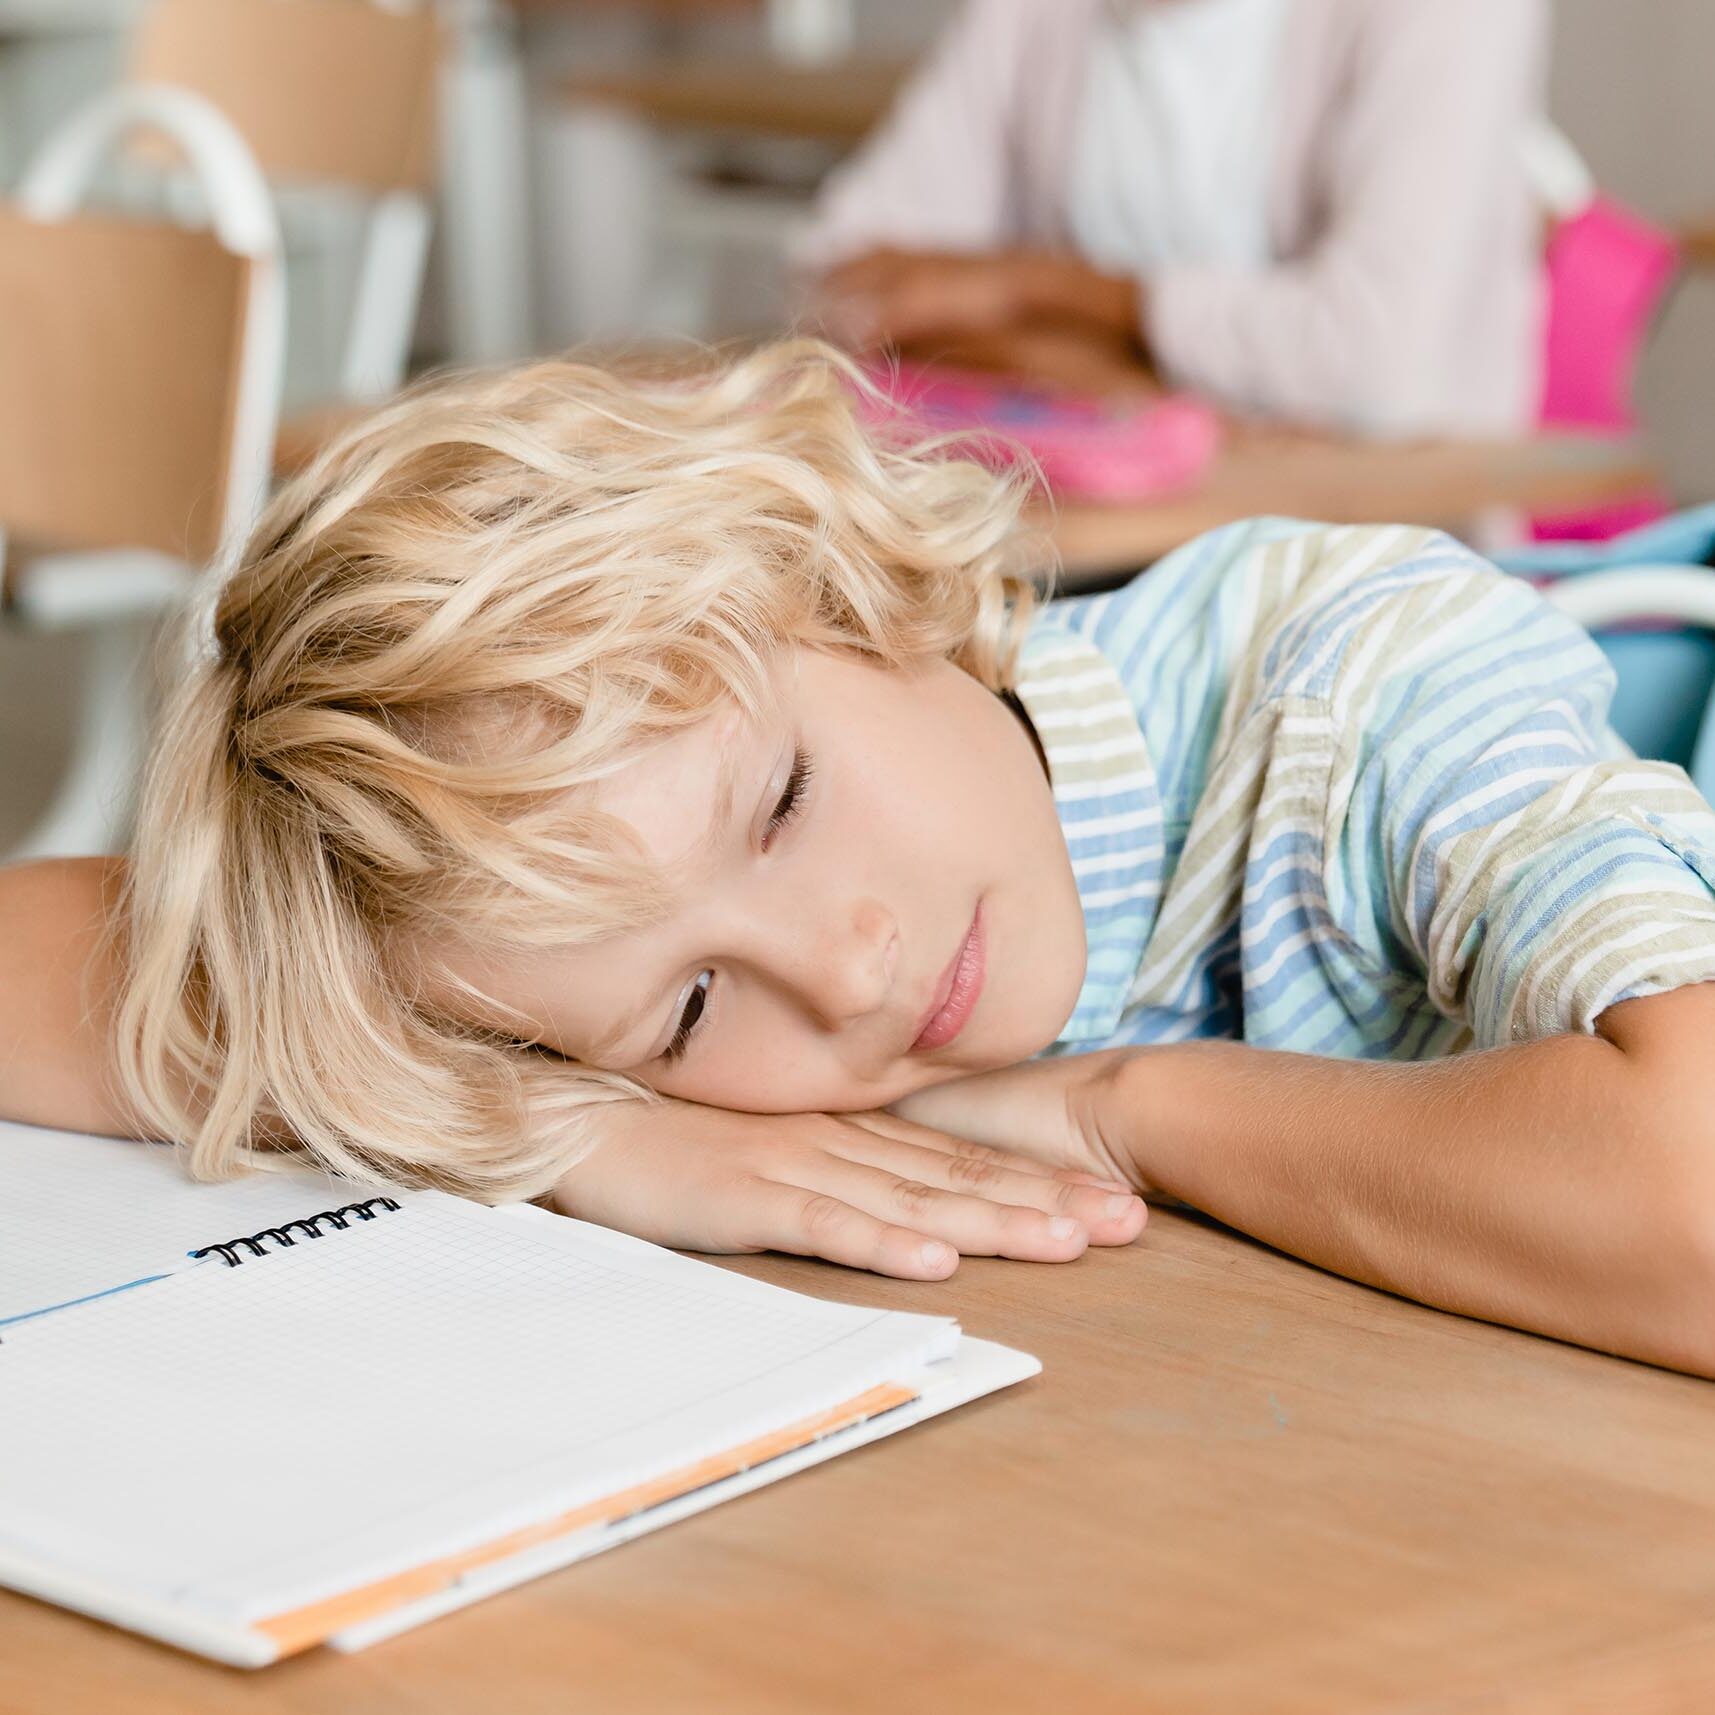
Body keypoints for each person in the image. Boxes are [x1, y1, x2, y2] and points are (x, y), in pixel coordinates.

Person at [4, 342, 1715, 1377]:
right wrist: (565, 1124)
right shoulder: (588, 1001)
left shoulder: (1355, 683)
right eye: (685, 1008)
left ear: (839, 581)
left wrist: (1130, 1109)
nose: (845, 969)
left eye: (784, 804)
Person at [801, 0, 1549, 435]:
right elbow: (836, 280)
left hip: (1371, 560)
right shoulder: (1033, 16)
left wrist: (1035, 290)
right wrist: (1155, 382)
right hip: (1093, 547)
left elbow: (1376, 367)